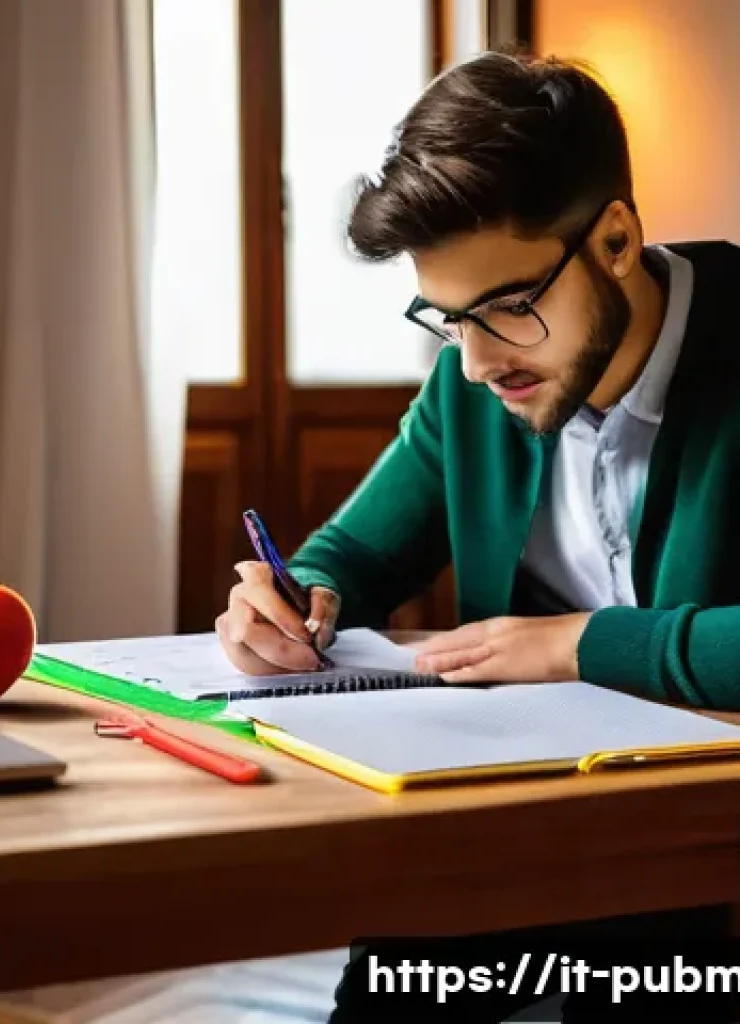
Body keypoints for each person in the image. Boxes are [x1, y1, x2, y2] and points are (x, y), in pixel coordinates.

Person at [216, 49, 740, 1021]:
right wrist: (299, 595)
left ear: (616, 239)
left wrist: (581, 644)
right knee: (389, 994)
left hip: (706, 862)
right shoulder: (479, 382)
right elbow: (359, 552)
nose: (474, 362)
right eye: (447, 317)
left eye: (506, 306)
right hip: (525, 829)